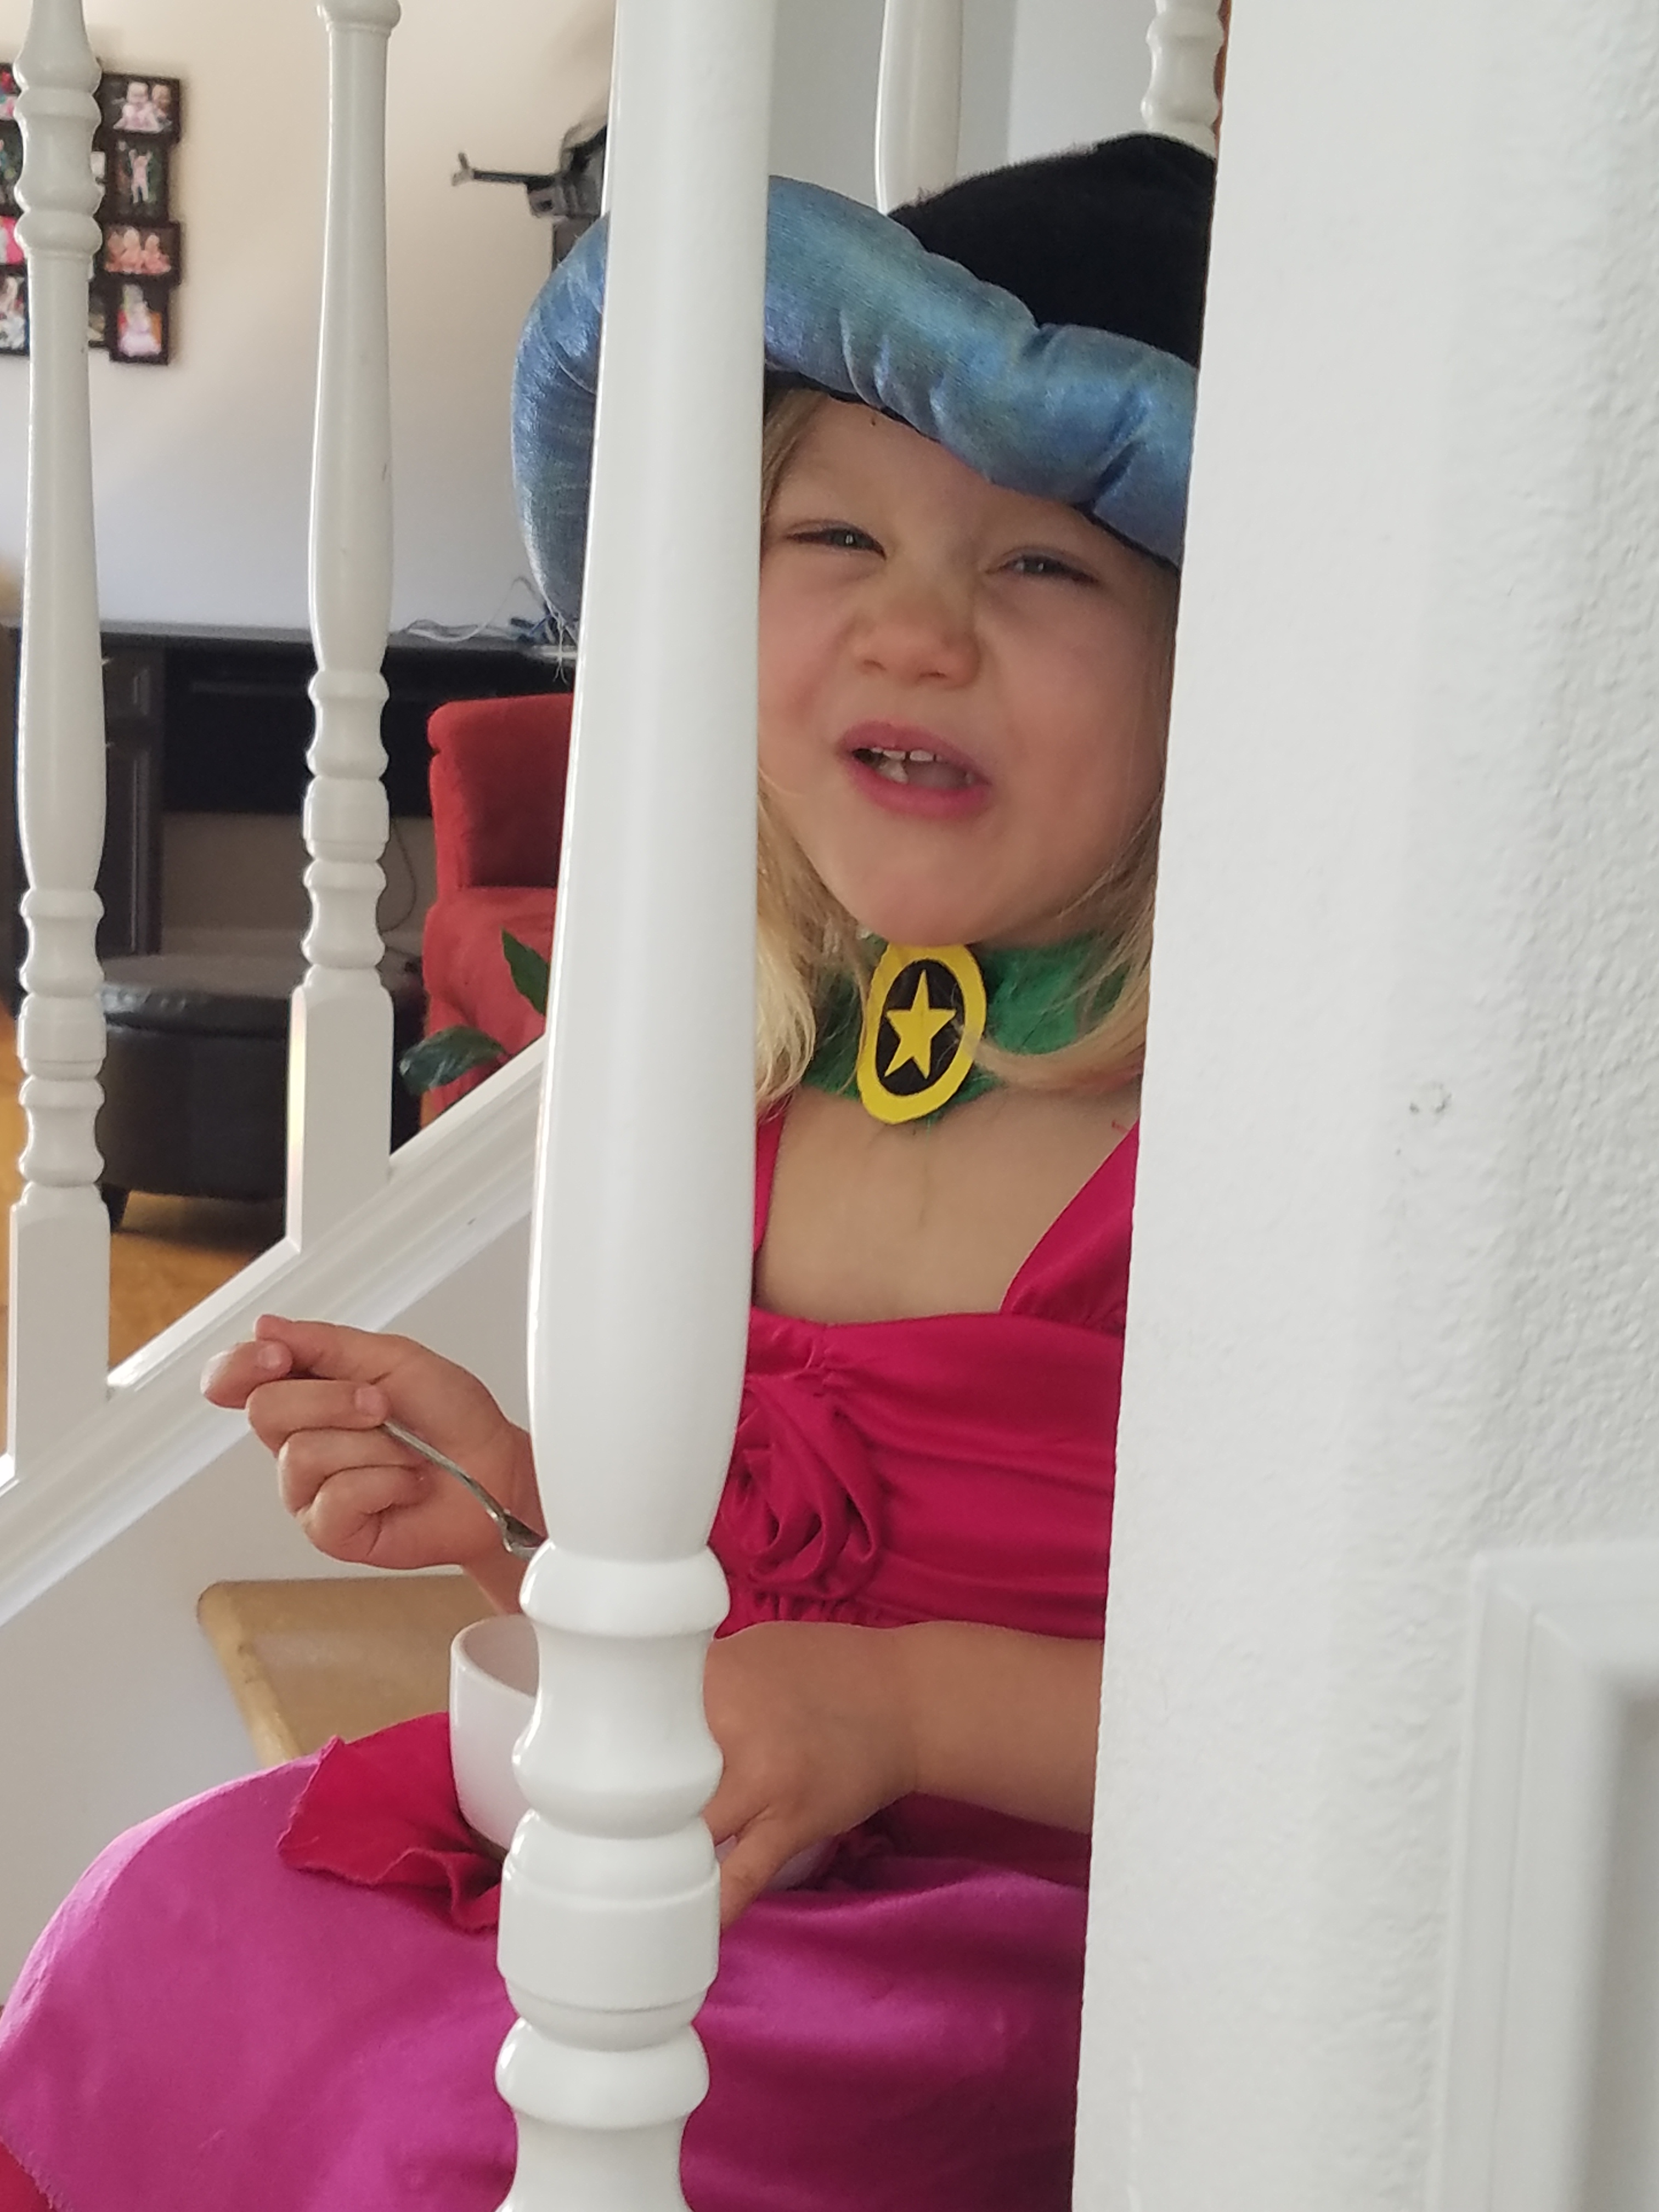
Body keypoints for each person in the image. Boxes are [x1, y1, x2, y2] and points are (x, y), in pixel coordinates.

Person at [0, 133, 1212, 2211]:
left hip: (1020, 1940)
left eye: (1042, 567)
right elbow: (737, 1606)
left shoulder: (1205, 1174)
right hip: (721, 1861)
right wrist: (517, 1504)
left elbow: (1319, 1716)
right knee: (167, 1913)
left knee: (449, 2120)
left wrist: (907, 1709)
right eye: (837, 533)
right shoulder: (762, 1107)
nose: (915, 632)